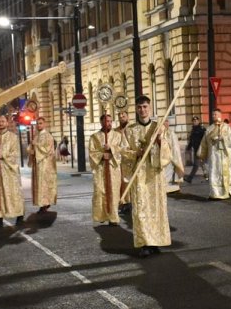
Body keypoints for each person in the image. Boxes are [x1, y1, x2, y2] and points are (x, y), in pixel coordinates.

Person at [120, 95, 174, 257]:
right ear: (136, 109)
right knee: (141, 208)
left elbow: (167, 152)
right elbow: (123, 151)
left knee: (156, 208)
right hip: (139, 175)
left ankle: (155, 241)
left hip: (154, 174)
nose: (142, 110)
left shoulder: (159, 128)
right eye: (139, 107)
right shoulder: (130, 130)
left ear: (150, 108)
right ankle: (144, 243)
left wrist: (158, 141)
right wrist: (137, 152)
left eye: (145, 107)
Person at [88, 113, 123, 224]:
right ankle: (101, 215)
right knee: (100, 191)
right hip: (100, 169)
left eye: (110, 121)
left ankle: (113, 217)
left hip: (113, 169)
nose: (109, 123)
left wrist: (111, 149)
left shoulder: (118, 135)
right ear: (101, 122)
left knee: (113, 192)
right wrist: (101, 156)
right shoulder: (94, 137)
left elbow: (121, 150)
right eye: (106, 121)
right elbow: (91, 153)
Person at [0, 114, 25, 227]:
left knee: (14, 193)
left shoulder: (13, 137)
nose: (0, 123)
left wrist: (3, 155)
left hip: (10, 170)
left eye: (3, 121)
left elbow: (15, 154)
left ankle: (19, 215)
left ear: (7, 123)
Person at [198, 108, 231, 199]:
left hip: (224, 155)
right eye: (213, 115)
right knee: (214, 173)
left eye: (215, 114)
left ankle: (228, 191)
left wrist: (223, 139)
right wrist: (201, 154)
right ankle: (215, 193)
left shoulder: (227, 128)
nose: (214, 116)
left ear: (220, 115)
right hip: (214, 156)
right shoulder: (209, 129)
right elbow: (204, 142)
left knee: (226, 173)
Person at [29, 116, 58, 212]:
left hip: (46, 165)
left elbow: (47, 150)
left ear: (44, 124)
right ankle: (42, 203)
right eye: (37, 123)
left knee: (44, 184)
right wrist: (31, 150)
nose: (38, 125)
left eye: (40, 123)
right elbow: (30, 148)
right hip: (38, 165)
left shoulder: (48, 136)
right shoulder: (36, 136)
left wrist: (35, 146)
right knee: (39, 184)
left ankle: (45, 203)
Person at [184, 115, 206, 183]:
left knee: (196, 165)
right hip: (196, 149)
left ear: (198, 121)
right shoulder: (193, 130)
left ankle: (190, 178)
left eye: (196, 121)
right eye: (193, 121)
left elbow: (205, 139)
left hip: (200, 149)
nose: (195, 122)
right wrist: (188, 147)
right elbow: (191, 140)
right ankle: (207, 176)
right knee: (202, 164)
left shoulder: (201, 129)